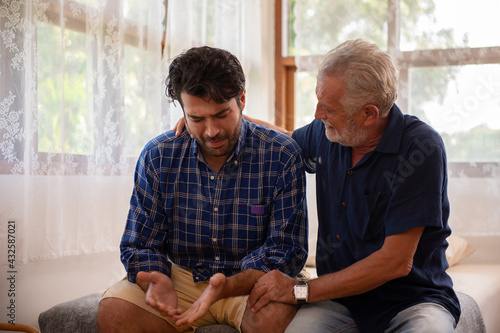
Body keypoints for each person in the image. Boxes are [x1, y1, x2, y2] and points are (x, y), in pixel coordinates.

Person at [243, 39, 461, 332]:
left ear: (369, 114)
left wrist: (300, 290)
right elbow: (281, 141)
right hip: (339, 299)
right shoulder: (329, 133)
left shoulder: (421, 148)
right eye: (319, 101)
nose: (318, 114)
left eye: (328, 108)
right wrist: (228, 121)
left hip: (413, 301)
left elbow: (395, 262)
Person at [97, 46, 308, 333]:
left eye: (222, 114)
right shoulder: (158, 156)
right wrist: (156, 278)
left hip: (250, 281)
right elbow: (141, 243)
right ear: (183, 111)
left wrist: (226, 286)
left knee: (276, 319)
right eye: (196, 119)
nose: (211, 131)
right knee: (114, 310)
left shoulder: (282, 155)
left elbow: (286, 251)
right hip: (181, 275)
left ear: (242, 100)